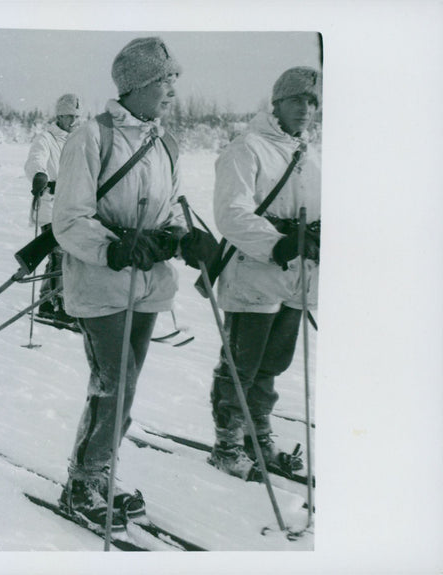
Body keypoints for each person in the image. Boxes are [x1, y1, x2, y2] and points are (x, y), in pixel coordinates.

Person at [51, 37, 217, 529]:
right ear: (137, 84)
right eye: (165, 79)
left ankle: (99, 472)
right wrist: (115, 248)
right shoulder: (92, 137)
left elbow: (172, 207)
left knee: (126, 384)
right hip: (103, 282)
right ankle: (82, 482)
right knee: (114, 384)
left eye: (174, 80)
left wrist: (186, 240)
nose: (172, 89)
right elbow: (69, 219)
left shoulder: (165, 140)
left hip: (147, 285)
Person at [207, 66, 322, 480]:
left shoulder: (309, 154)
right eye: (296, 100)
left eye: (312, 102)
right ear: (276, 104)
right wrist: (279, 243)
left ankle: (259, 437)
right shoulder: (248, 148)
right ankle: (228, 443)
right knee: (242, 363)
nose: (305, 109)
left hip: (295, 279)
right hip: (254, 272)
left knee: (273, 364)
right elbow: (231, 213)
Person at [24, 93, 82, 323]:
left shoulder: (78, 139)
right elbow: (35, 160)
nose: (73, 120)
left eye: (76, 116)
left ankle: (47, 303)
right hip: (50, 204)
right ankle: (62, 307)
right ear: (59, 115)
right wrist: (39, 174)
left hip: (73, 205)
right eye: (69, 116)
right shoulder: (45, 139)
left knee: (61, 255)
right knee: (61, 254)